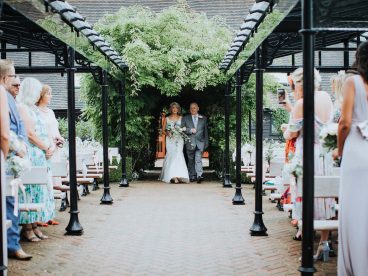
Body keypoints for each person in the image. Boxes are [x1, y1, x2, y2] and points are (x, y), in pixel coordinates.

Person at [285, 67, 336, 261]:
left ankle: (307, 249)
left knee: (305, 198)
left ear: (300, 83)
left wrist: (287, 130)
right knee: (324, 199)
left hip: (306, 155)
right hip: (324, 155)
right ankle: (324, 243)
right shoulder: (325, 97)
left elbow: (293, 133)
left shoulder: (301, 103)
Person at [337, 41, 368, 276]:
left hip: (357, 150)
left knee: (354, 211)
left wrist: (339, 149)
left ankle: (355, 268)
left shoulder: (352, 81)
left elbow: (345, 123)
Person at [0, 59, 32, 260]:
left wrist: (23, 146)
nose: (17, 81)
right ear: (4, 77)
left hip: (13, 160)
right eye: (13, 77)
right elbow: (5, 134)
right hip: (6, 160)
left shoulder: (11, 99)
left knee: (12, 203)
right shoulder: (2, 96)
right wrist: (10, 152)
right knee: (9, 203)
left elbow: (18, 128)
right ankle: (11, 245)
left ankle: (11, 243)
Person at [17, 77, 55, 241]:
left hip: (40, 156)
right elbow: (30, 134)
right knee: (30, 191)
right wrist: (46, 147)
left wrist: (50, 146)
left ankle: (34, 225)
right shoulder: (23, 108)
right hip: (32, 154)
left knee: (38, 192)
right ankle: (27, 228)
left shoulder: (32, 108)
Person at [36, 84, 63, 226]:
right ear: (41, 95)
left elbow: (55, 130)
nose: (51, 96)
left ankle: (50, 214)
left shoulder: (51, 112)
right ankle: (40, 216)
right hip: (44, 151)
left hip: (54, 150)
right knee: (44, 183)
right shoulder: (35, 111)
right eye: (48, 93)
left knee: (51, 184)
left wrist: (60, 138)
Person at [159, 102, 189, 184]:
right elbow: (163, 130)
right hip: (170, 139)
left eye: (176, 108)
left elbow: (185, 128)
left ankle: (179, 175)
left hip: (179, 139)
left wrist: (181, 130)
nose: (175, 109)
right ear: (171, 109)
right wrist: (168, 133)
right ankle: (173, 176)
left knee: (179, 154)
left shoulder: (181, 118)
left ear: (178, 109)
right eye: (173, 108)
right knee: (172, 155)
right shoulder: (167, 118)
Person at [181, 102, 208, 183]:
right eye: (191, 108)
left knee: (198, 159)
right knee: (191, 160)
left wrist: (206, 143)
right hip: (190, 142)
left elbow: (205, 132)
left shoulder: (203, 118)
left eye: (194, 108)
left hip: (200, 142)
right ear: (189, 109)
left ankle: (199, 175)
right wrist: (190, 130)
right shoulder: (185, 118)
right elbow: (182, 129)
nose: (193, 109)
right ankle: (192, 175)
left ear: (198, 108)